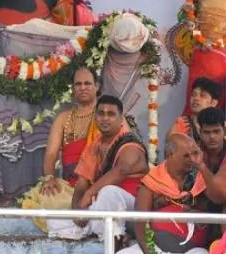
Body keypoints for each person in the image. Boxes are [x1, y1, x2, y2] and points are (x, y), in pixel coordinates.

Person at [47, 95, 149, 241]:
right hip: (102, 208)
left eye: (111, 114)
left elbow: (122, 170)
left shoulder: (130, 144)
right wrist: (78, 211)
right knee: (55, 219)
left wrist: (89, 195)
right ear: (95, 117)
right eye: (101, 113)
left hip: (132, 206)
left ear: (121, 119)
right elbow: (82, 182)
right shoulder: (95, 145)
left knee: (109, 193)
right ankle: (99, 229)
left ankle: (112, 235)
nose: (105, 118)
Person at [20, 67, 100, 231]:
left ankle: (86, 223)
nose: (83, 87)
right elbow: (51, 153)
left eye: (87, 83)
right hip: (71, 188)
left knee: (107, 198)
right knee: (46, 196)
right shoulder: (64, 118)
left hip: (99, 186)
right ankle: (84, 224)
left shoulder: (106, 114)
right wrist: (49, 177)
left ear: (97, 86)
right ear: (72, 89)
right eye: (78, 84)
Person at [115, 134, 216, 254]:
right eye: (186, 156)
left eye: (194, 154)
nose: (192, 159)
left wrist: (202, 166)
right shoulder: (152, 180)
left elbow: (217, 198)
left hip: (193, 251)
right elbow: (140, 220)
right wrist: (150, 252)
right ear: (170, 155)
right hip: (156, 249)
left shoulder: (200, 175)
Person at [170, 77, 226, 144]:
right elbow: (171, 151)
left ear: (213, 103)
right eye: (194, 95)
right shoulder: (181, 124)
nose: (196, 98)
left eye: (202, 96)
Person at [197, 107, 226, 174]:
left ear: (225, 131)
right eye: (206, 132)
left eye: (216, 131)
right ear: (200, 133)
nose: (212, 137)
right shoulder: (194, 154)